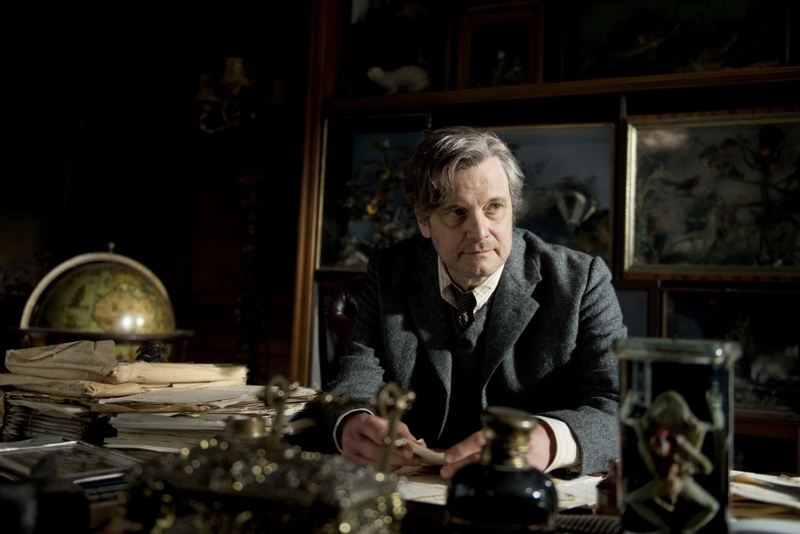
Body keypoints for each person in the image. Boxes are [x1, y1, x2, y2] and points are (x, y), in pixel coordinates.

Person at [322, 125, 627, 479]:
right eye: (457, 212)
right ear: (424, 221)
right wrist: (352, 421)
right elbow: (360, 369)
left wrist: (547, 441)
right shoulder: (390, 271)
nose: (480, 232)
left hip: (530, 492)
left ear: (512, 208)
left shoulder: (582, 282)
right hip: (415, 486)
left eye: (494, 207)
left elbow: (616, 407)